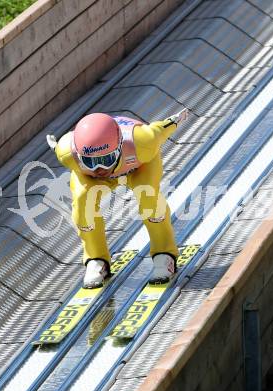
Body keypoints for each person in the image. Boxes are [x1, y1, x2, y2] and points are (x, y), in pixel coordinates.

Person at [46, 109, 188, 288]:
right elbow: (65, 149)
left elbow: (162, 128)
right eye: (90, 161)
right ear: (77, 155)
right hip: (95, 177)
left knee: (148, 197)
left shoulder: (144, 142)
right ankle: (96, 259)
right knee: (82, 204)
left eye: (106, 159)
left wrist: (178, 118)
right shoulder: (67, 154)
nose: (99, 169)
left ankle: (164, 254)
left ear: (120, 145)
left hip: (139, 166)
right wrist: (102, 162)